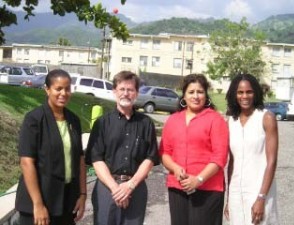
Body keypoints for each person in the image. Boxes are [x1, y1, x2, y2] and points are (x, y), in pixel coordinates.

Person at [85, 71, 159, 225]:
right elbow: (96, 158)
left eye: (130, 90)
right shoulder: (102, 123)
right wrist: (115, 188)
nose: (126, 94)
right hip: (107, 188)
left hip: (135, 188)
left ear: (137, 93)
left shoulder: (146, 123)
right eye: (122, 89)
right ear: (114, 92)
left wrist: (130, 186)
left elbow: (150, 157)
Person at [15, 69, 86, 225]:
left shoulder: (73, 120)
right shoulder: (34, 119)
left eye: (67, 89)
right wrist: (38, 204)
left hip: (66, 203)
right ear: (47, 89)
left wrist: (82, 194)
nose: (63, 93)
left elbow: (80, 159)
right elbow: (27, 162)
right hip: (40, 203)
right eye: (58, 88)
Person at [159, 74, 229, 225]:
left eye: (200, 92)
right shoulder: (173, 120)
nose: (196, 96)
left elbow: (220, 157)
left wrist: (198, 179)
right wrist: (175, 168)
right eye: (191, 92)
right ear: (183, 96)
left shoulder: (215, 119)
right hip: (178, 187)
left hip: (208, 188)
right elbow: (165, 153)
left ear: (206, 95)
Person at [224, 73, 279, 225]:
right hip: (236, 193)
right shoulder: (231, 122)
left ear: (256, 93)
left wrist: (261, 197)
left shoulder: (266, 118)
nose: (245, 96)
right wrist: (229, 198)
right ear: (234, 94)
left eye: (249, 92)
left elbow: (272, 162)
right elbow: (232, 162)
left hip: (259, 191)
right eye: (240, 92)